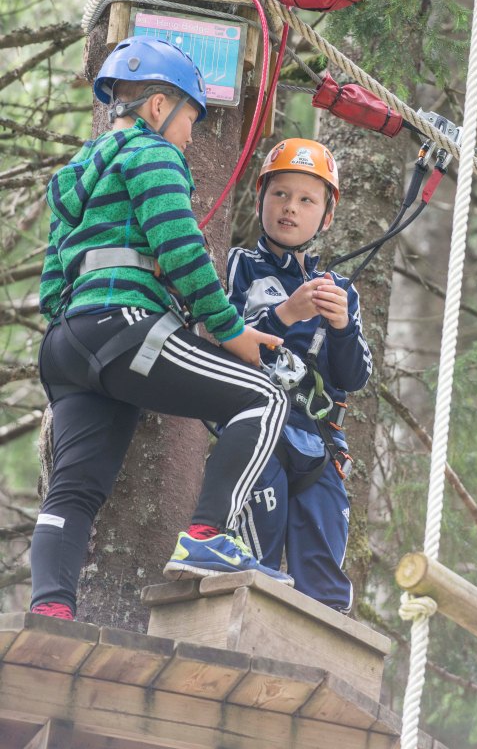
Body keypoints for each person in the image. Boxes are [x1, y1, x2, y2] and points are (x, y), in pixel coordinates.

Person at [31, 36, 293, 621]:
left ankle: (50, 609)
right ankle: (206, 536)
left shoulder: (75, 173)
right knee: (264, 399)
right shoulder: (152, 155)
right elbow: (180, 252)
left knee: (74, 491)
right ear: (157, 107)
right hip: (125, 328)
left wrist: (83, 320)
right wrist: (232, 333)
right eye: (191, 120)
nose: (191, 137)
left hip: (67, 345)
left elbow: (52, 282)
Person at [227, 139, 372, 612]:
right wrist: (285, 314)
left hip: (320, 446)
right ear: (260, 198)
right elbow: (222, 342)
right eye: (280, 194)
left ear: (326, 217)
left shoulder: (340, 292)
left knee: (325, 589)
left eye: (307, 200)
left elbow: (353, 377)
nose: (291, 208)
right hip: (258, 436)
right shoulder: (239, 267)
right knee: (255, 567)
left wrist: (342, 327)